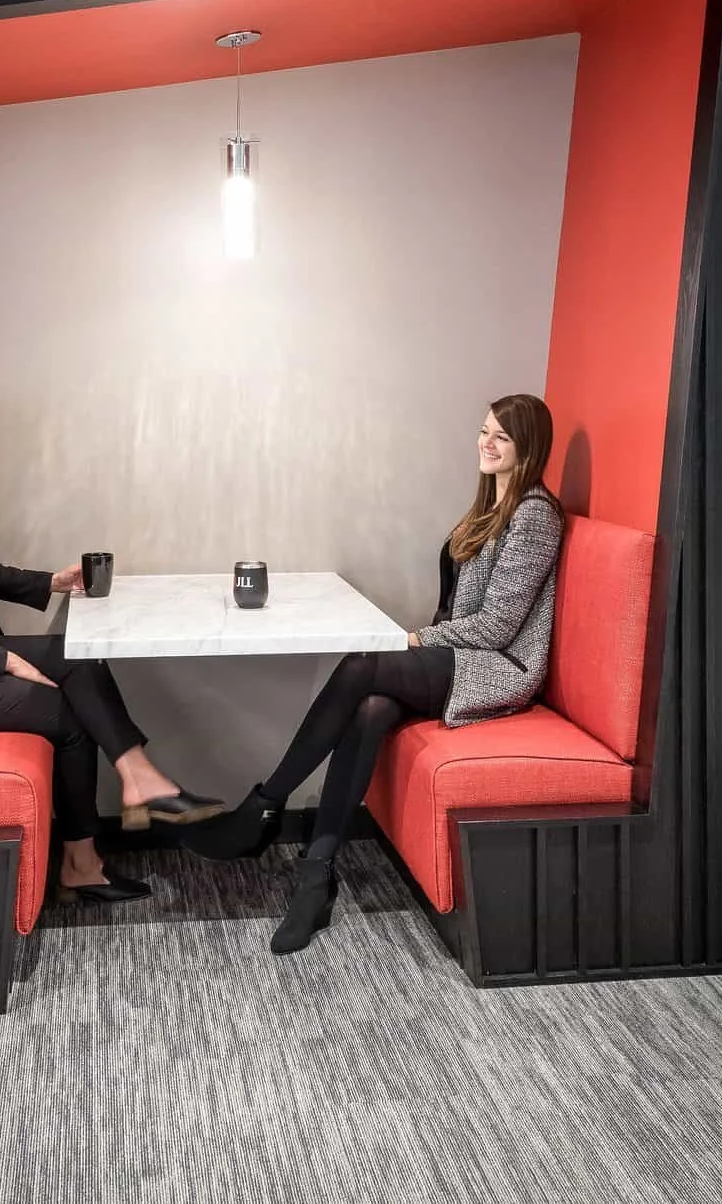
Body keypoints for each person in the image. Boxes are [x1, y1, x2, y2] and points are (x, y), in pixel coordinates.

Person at [188, 394, 565, 954]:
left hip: (496, 667)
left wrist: (416, 641)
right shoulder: (491, 503)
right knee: (370, 708)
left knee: (363, 665)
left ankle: (262, 808)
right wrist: (424, 643)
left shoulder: (534, 513)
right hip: (459, 657)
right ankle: (317, 875)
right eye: (484, 431)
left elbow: (500, 627)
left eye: (502, 438)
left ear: (527, 447)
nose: (486, 443)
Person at [0, 377, 222, 903]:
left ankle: (129, 795)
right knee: (68, 711)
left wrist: (50, 581)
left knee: (82, 661)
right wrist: (4, 660)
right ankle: (95, 844)